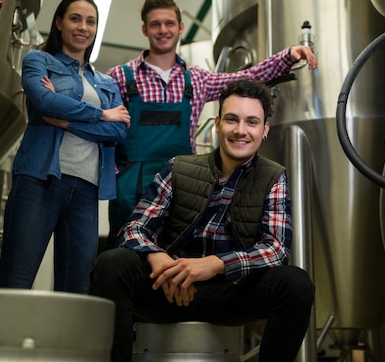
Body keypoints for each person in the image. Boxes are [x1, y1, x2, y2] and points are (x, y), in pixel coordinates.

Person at [90, 79, 315, 362]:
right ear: (218, 123)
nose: (241, 131)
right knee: (112, 263)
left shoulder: (273, 176)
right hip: (168, 288)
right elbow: (134, 228)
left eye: (252, 122)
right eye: (232, 120)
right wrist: (159, 260)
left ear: (264, 130)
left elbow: (276, 249)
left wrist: (217, 265)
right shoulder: (179, 167)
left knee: (296, 284)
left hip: (229, 294)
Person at [105, 0, 318, 247]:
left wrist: (289, 56)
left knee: (177, 252)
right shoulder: (119, 76)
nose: (163, 30)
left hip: (183, 184)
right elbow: (106, 133)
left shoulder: (197, 79)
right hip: (132, 186)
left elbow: (248, 77)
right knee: (125, 254)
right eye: (155, 24)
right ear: (145, 29)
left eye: (169, 23)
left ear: (180, 27)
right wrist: (114, 175)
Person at [0, 0, 130, 294]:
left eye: (90, 21)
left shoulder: (106, 82)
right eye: (75, 18)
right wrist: (102, 114)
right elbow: (45, 102)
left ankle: (64, 343)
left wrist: (69, 121)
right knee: (15, 281)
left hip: (86, 189)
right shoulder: (38, 60)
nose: (83, 27)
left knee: (76, 288)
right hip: (39, 180)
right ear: (59, 22)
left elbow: (120, 133)